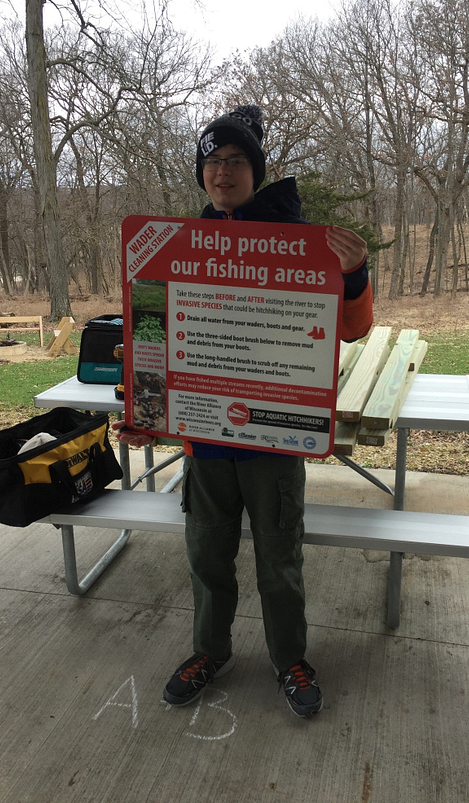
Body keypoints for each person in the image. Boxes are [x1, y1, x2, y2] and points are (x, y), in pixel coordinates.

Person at [115, 105, 373, 717]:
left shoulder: (303, 244)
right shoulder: (180, 246)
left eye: (233, 161)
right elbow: (156, 331)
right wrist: (148, 410)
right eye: (210, 161)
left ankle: (290, 659)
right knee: (207, 556)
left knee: (279, 562)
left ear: (254, 171)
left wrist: (356, 275)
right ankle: (211, 649)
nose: (220, 171)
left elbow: (354, 329)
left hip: (277, 443)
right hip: (206, 444)